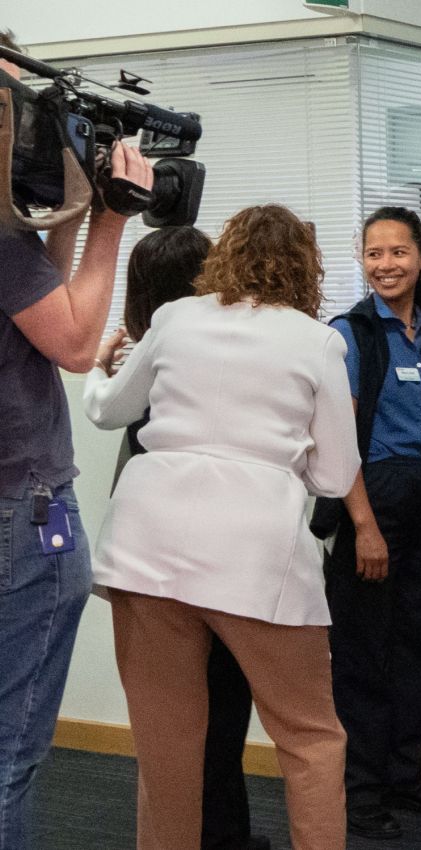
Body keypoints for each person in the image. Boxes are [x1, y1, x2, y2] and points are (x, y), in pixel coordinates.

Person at [82, 204, 361, 850]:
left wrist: (97, 368)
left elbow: (107, 410)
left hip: (146, 545)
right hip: (254, 555)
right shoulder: (317, 341)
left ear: (224, 255)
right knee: (311, 738)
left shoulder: (175, 318)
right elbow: (336, 475)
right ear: (305, 268)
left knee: (167, 751)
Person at [0, 29, 153, 850]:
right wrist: (112, 224)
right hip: (19, 516)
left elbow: (43, 308)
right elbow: (71, 345)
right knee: (9, 752)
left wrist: (75, 204)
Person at [313, 207, 421, 840]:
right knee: (364, 654)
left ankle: (404, 776)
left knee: (419, 645)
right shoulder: (351, 334)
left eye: (397, 253)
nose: (385, 264)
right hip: (376, 502)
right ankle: (359, 795)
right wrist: (363, 526)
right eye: (373, 254)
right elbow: (337, 439)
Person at [98, 226, 272, 850]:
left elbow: (105, 411)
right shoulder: (244, 356)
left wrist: (102, 367)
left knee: (165, 726)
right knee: (223, 714)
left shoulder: (145, 359)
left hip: (152, 562)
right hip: (232, 555)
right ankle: (228, 836)